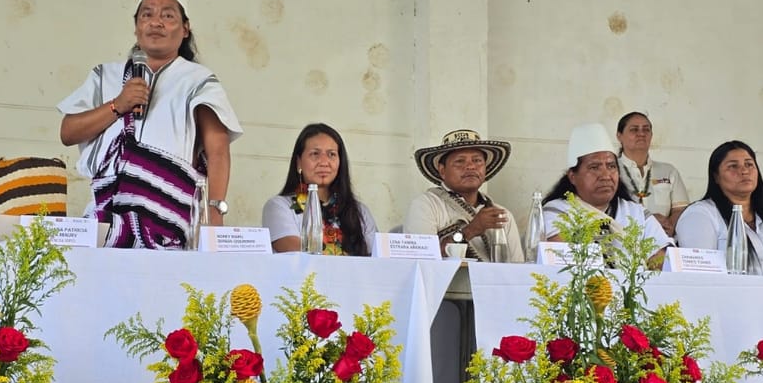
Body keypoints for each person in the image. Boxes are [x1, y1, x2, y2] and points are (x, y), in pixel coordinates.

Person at [56, 0, 242, 248]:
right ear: (136, 27)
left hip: (169, 222)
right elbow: (68, 132)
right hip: (106, 220)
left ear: (185, 29)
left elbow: (218, 151)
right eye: (147, 14)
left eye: (168, 16)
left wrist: (214, 215)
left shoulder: (198, 81)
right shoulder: (105, 75)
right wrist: (118, 105)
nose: (156, 22)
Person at [543, 123, 672, 263]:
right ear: (573, 176)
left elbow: (663, 262)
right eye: (594, 167)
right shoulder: (557, 212)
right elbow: (562, 259)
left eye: (611, 166)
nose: (606, 176)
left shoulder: (637, 213)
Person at [404, 129, 524, 262]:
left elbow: (517, 266)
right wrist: (471, 230)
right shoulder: (426, 205)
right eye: (460, 161)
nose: (471, 166)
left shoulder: (502, 215)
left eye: (477, 160)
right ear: (442, 171)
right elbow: (420, 259)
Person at [261, 123, 376, 255]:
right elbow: (300, 254)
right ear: (299, 162)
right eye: (315, 154)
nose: (324, 162)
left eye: (331, 154)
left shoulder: (360, 212)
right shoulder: (279, 206)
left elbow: (378, 258)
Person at [676, 140, 763, 274]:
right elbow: (700, 274)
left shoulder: (761, 213)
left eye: (749, 164)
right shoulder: (700, 214)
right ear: (716, 176)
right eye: (733, 166)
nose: (744, 171)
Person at [615, 111, 689, 236]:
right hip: (623, 238)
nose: (641, 134)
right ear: (619, 136)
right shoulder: (610, 170)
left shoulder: (668, 171)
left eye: (646, 129)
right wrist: (647, 222)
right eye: (634, 129)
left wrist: (669, 226)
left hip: (662, 239)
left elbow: (681, 209)